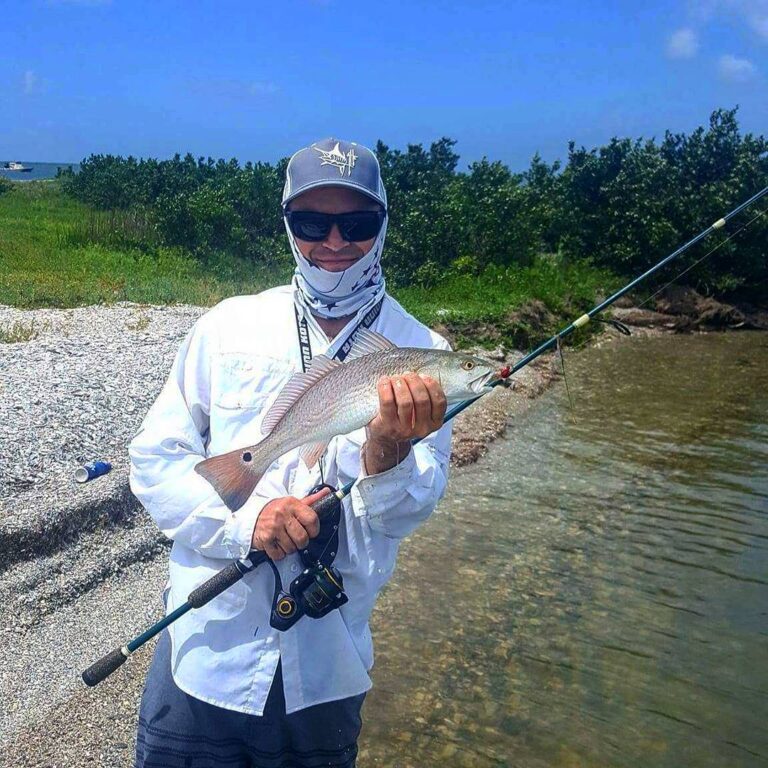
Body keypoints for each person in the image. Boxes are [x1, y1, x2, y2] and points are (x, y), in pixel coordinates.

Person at [129, 137, 452, 767]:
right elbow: (156, 458)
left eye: (356, 223)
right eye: (311, 223)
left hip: (329, 667)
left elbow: (407, 514)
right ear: (287, 225)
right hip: (207, 653)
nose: (334, 242)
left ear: (382, 223)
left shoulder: (421, 350)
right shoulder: (227, 326)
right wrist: (248, 522)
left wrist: (387, 452)